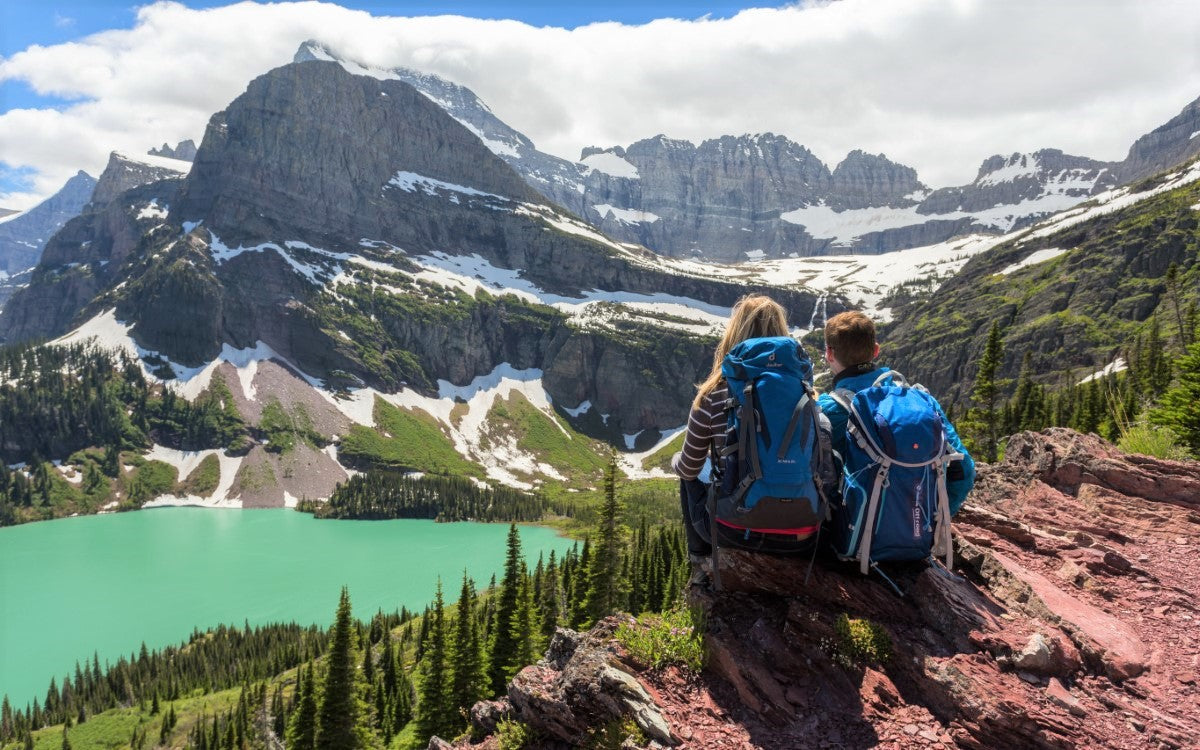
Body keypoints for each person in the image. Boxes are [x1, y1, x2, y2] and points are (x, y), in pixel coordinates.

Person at [673, 294, 818, 563]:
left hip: (734, 531)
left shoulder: (713, 394)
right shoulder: (806, 392)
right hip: (802, 533)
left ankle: (700, 560)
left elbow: (689, 468)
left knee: (685, 470)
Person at [817, 311, 975, 515]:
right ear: (875, 350)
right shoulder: (921, 402)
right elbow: (965, 470)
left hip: (850, 539)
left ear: (829, 354)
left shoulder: (828, 410)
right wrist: (935, 519)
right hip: (919, 532)